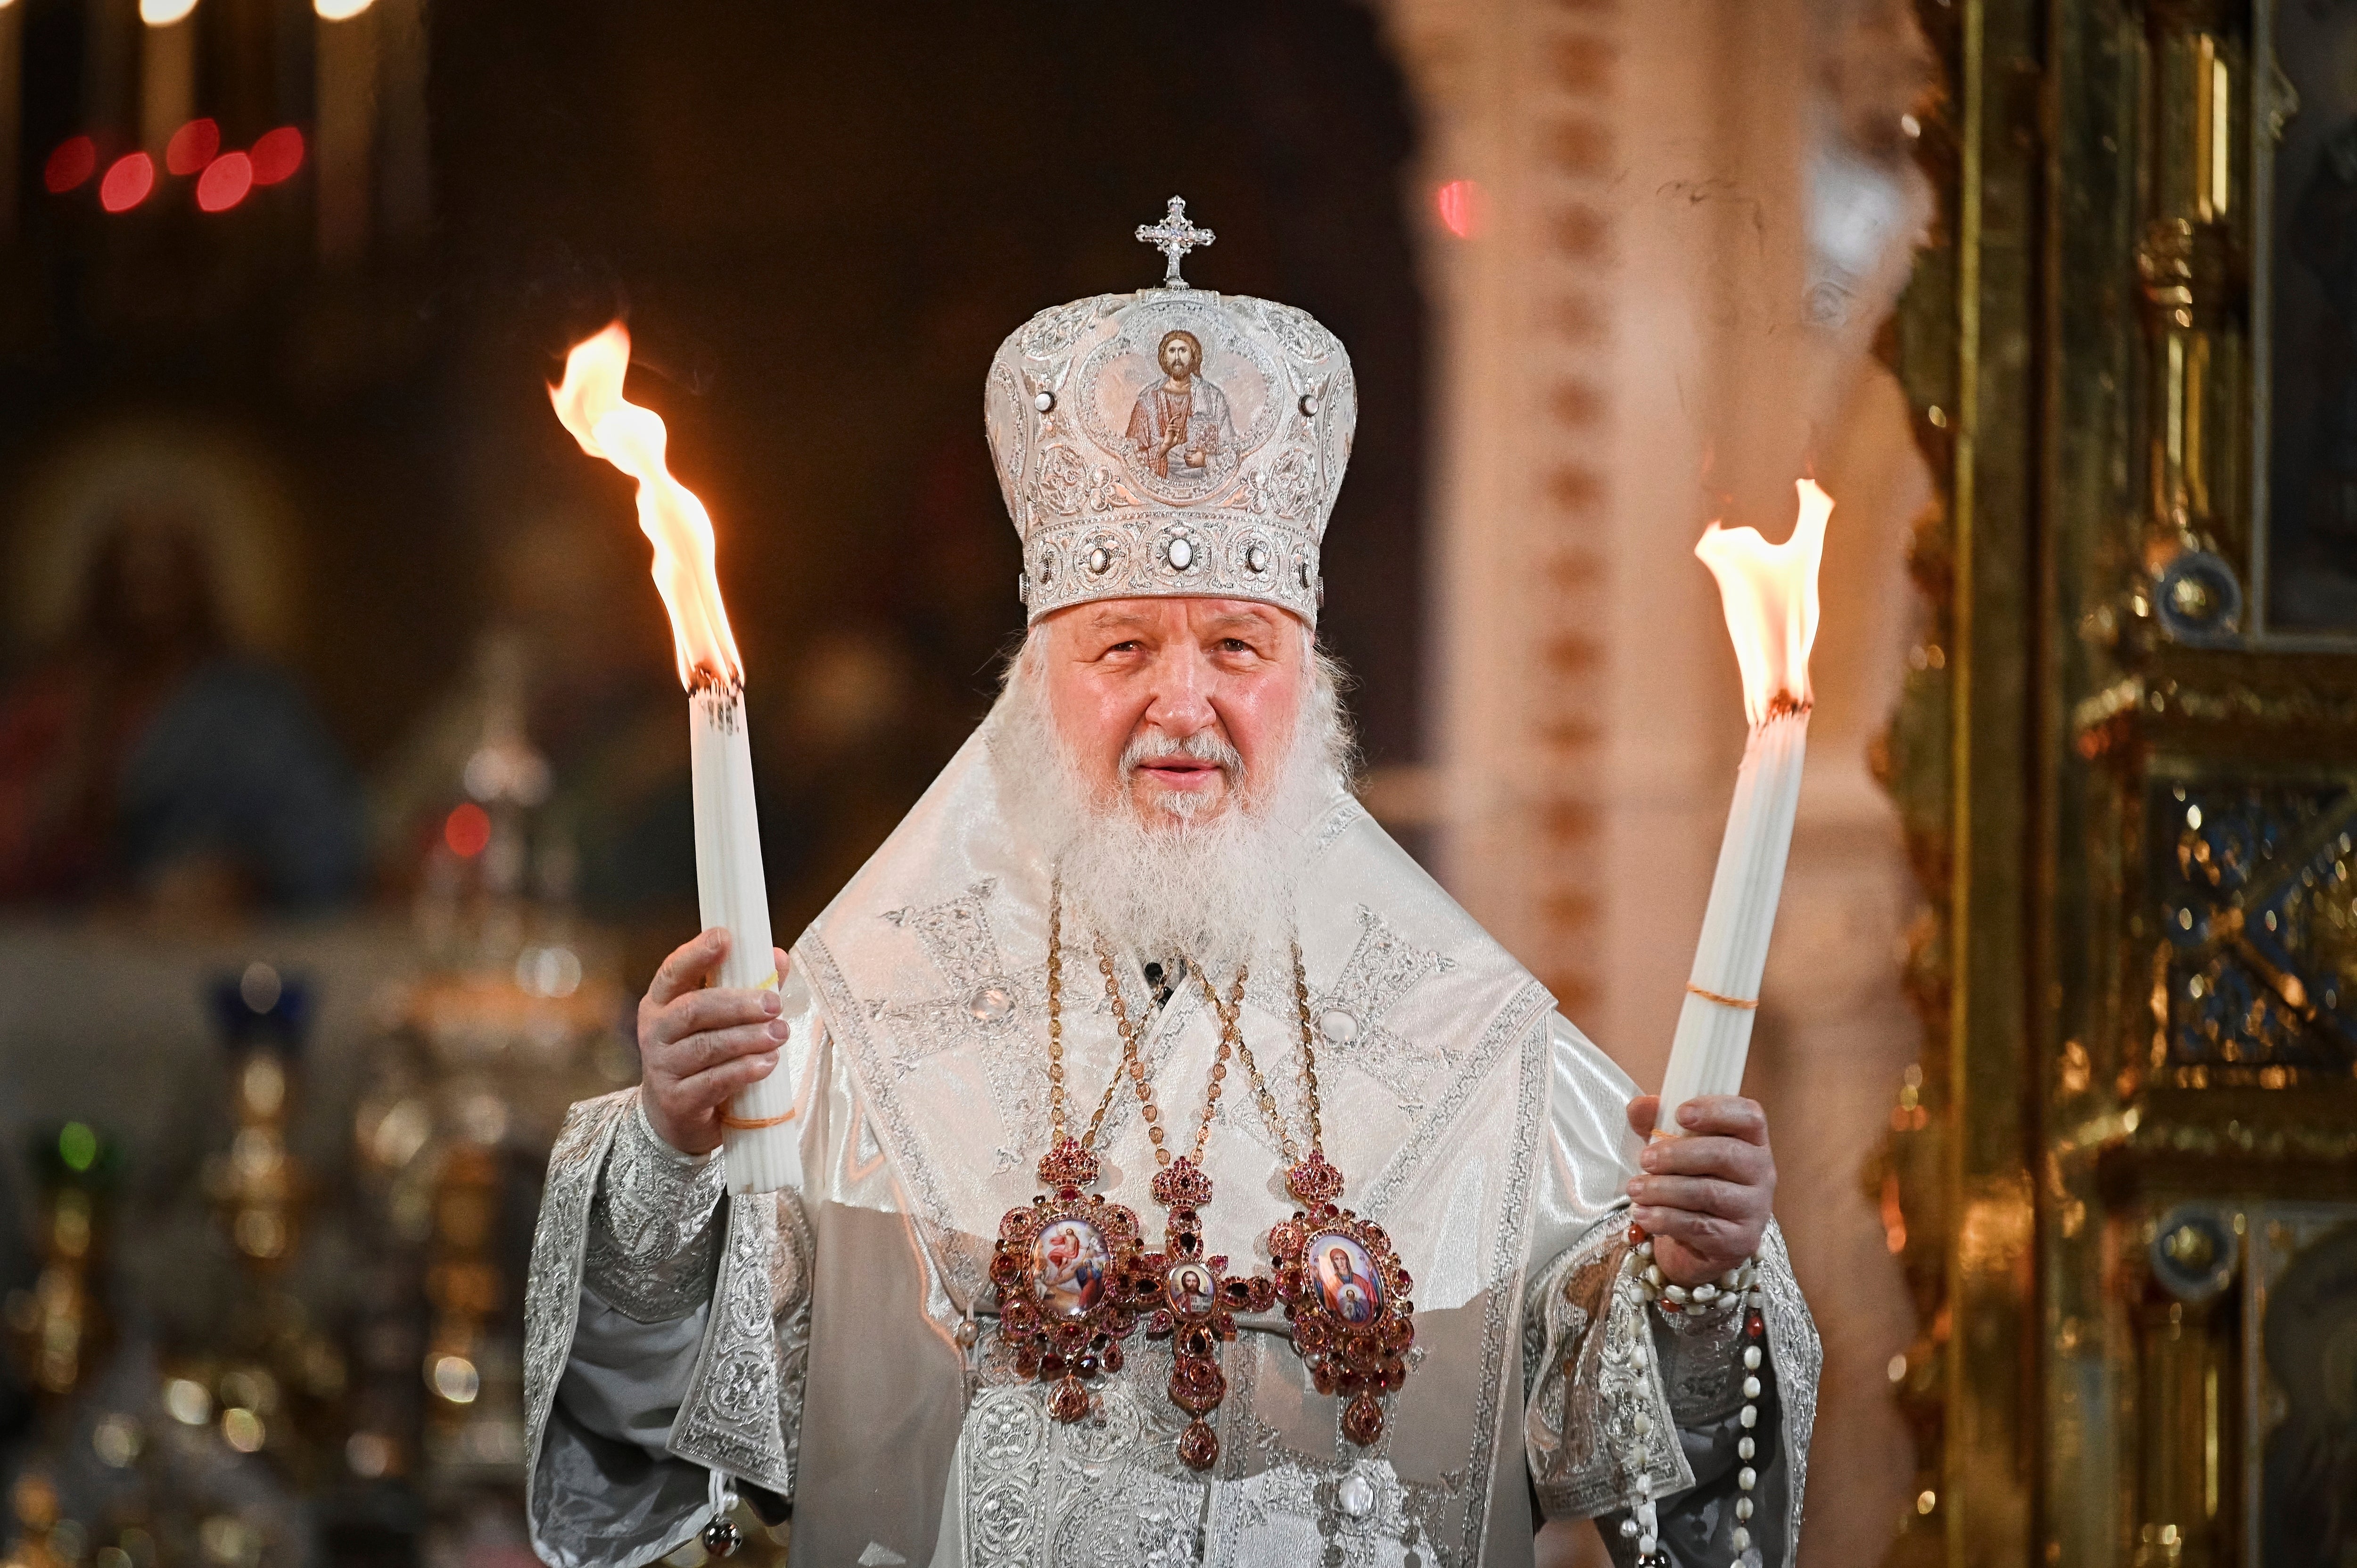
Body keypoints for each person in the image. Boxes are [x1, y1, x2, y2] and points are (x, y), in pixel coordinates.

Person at [523, 225, 1816, 1568]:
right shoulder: (858, 1024)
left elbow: (1669, 1496)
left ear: (1307, 689)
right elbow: (670, 1470)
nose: (1181, 706)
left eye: (1238, 648)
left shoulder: (1471, 1040)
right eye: (1124, 647)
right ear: (1035, 688)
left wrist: (1699, 1283)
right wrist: (674, 1156)